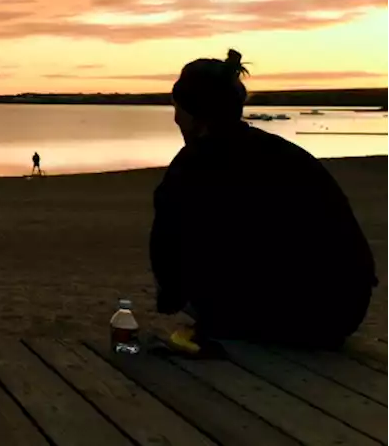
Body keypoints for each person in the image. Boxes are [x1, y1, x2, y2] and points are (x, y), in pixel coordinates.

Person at [150, 49, 377, 349]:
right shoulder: (286, 155)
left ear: (194, 115)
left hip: (290, 318)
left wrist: (174, 294)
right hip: (344, 313)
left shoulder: (194, 164)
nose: (176, 119)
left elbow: (168, 248)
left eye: (177, 109)